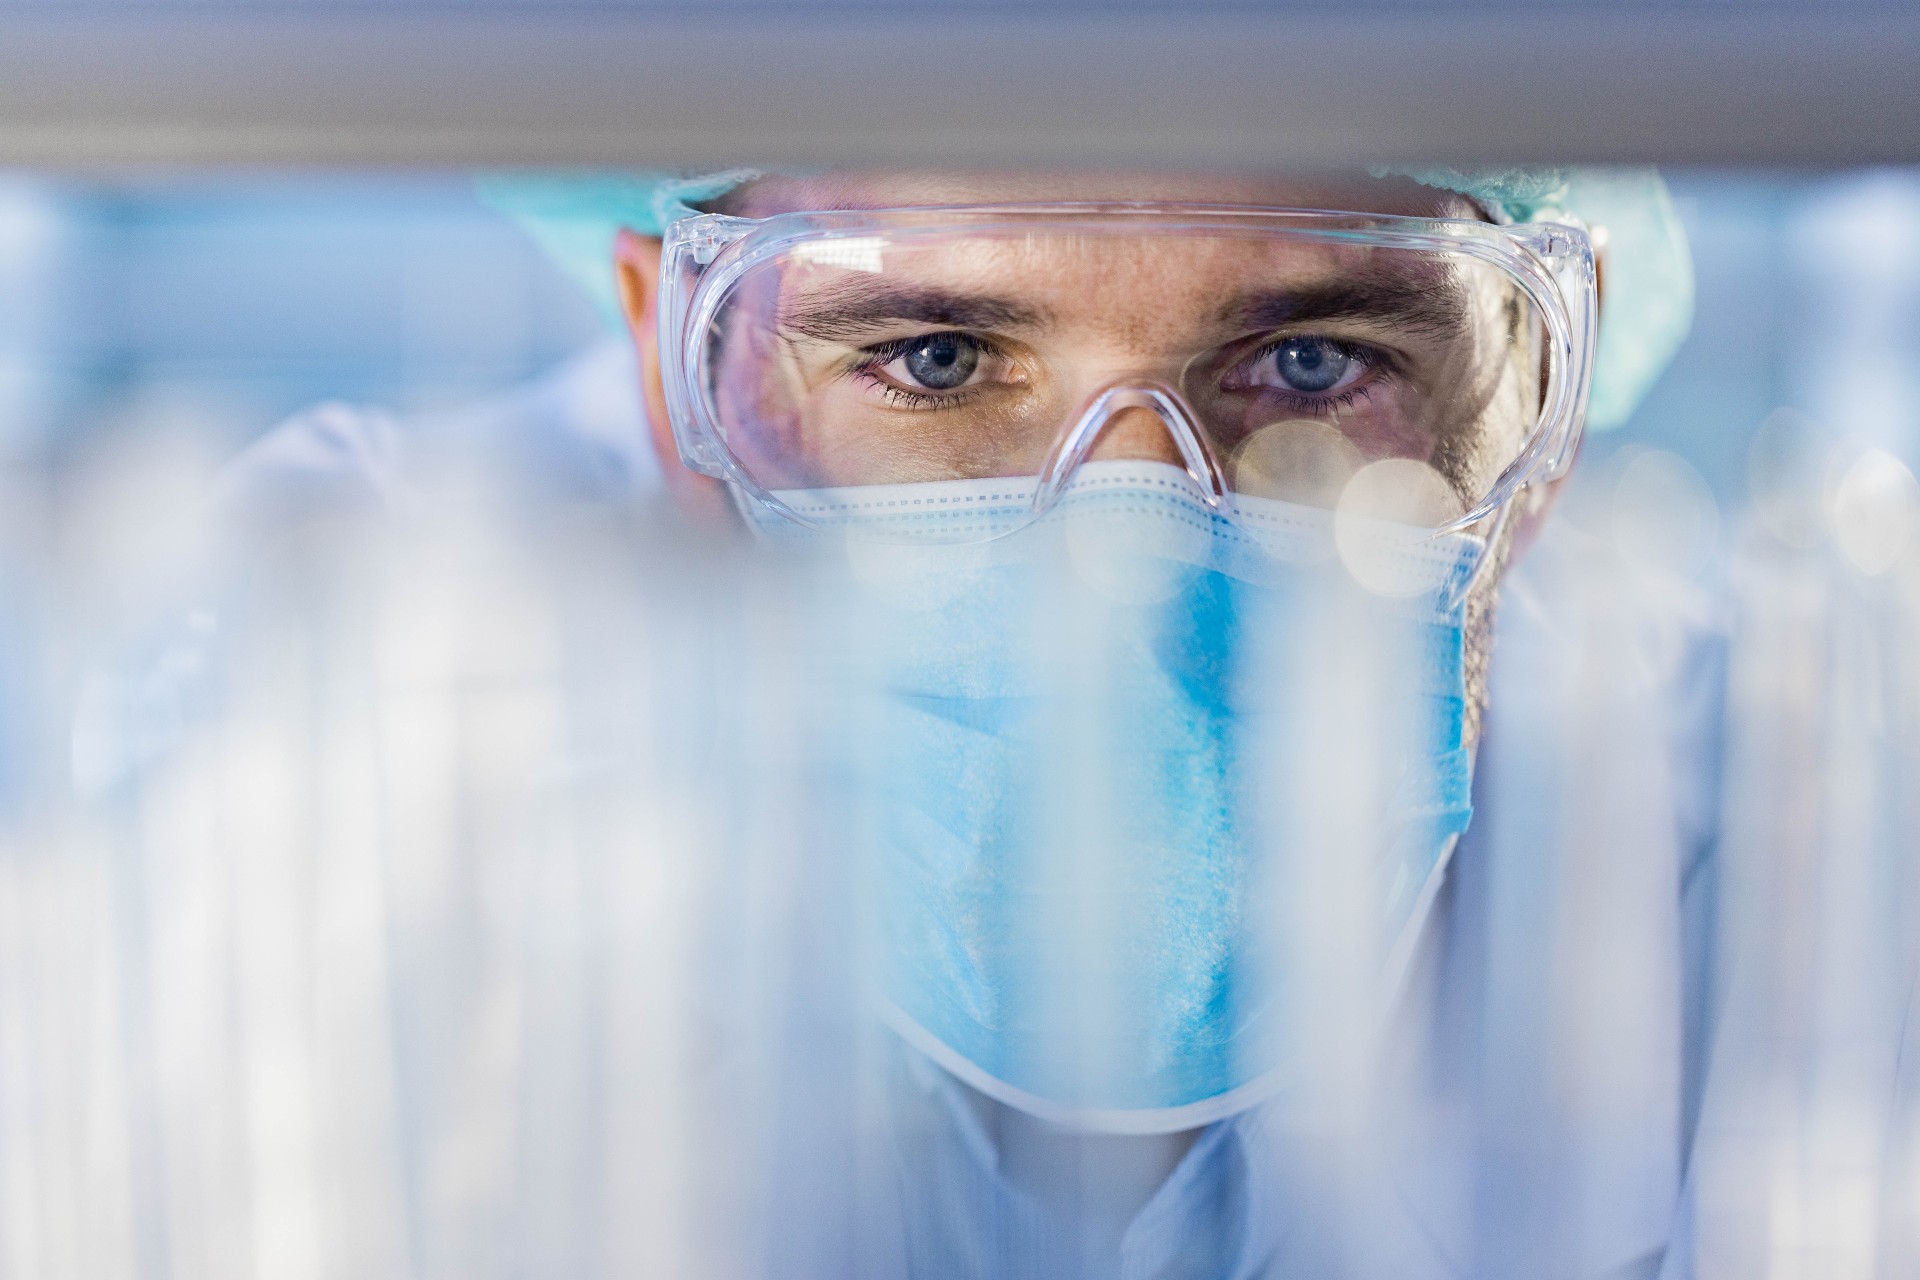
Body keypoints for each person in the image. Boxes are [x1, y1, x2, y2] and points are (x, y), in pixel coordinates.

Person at [147, 165, 1718, 1278]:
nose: (1129, 545)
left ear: (1540, 425)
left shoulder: (1772, 817)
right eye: (940, 359)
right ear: (668, 380)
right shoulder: (346, 725)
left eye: (1312, 364)